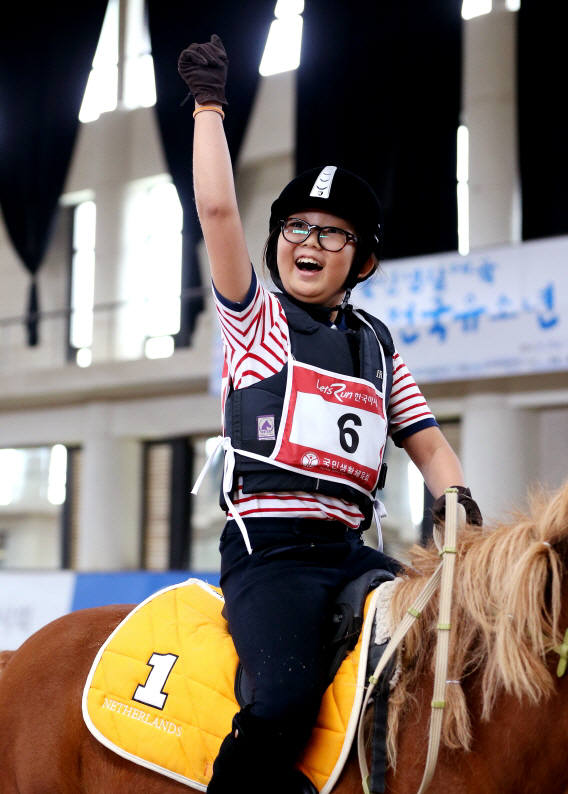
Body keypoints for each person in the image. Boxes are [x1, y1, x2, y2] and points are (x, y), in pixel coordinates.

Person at [179, 35, 482, 794]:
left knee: (458, 648)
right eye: (296, 228)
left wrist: (457, 507)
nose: (308, 242)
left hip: (351, 552)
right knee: (282, 700)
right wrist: (210, 108)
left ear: (361, 259)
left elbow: (435, 453)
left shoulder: (378, 347)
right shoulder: (257, 324)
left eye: (331, 233)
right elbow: (217, 210)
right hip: (272, 557)